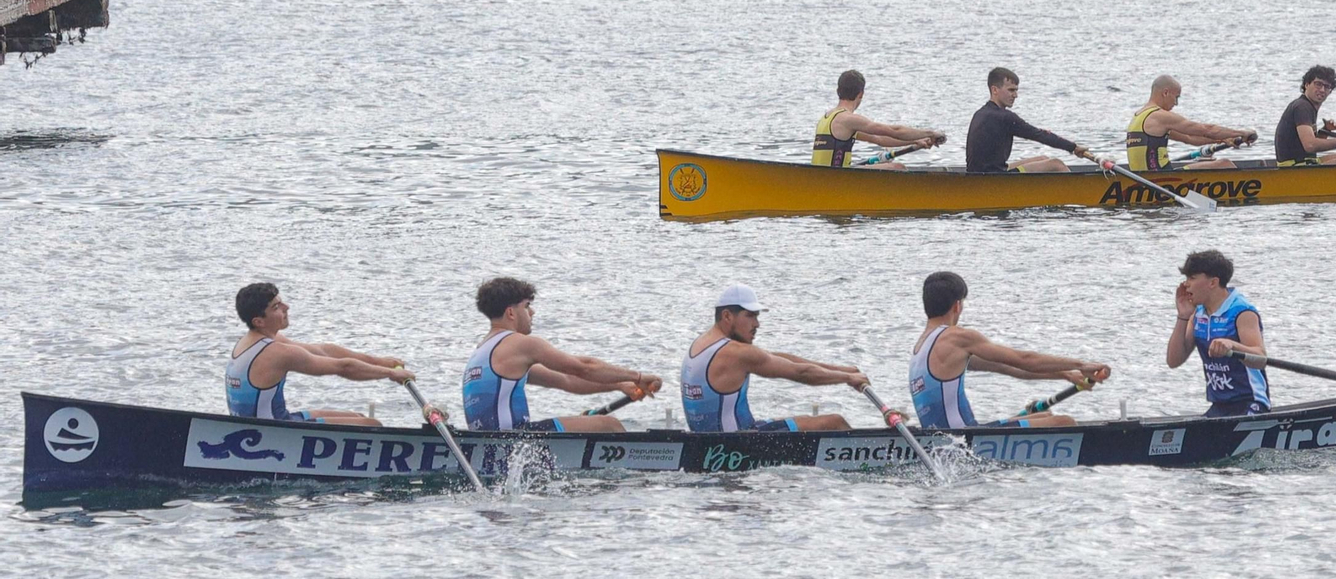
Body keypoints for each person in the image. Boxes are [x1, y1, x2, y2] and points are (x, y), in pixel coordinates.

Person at [910, 271, 1110, 429]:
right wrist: (1081, 364)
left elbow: (1009, 368)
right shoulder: (957, 338)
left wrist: (1066, 375)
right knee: (1064, 423)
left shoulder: (922, 347)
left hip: (949, 435)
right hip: (961, 439)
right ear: (957, 305)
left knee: (1045, 416)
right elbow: (1024, 359)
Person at [463, 276, 663, 432]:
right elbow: (582, 367)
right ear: (511, 313)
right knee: (609, 426)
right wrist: (637, 377)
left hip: (495, 439)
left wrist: (620, 385)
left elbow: (567, 380)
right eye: (527, 306)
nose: (532, 313)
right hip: (515, 440)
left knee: (588, 422)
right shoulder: (521, 344)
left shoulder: (483, 351)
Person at [681, 284, 869, 432]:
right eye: (750, 316)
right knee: (834, 423)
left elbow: (778, 359)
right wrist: (848, 379)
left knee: (801, 419)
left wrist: (843, 370)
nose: (757, 324)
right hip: (740, 442)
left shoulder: (702, 343)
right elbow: (801, 372)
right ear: (727, 316)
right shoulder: (737, 352)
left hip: (718, 439)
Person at [228, 283, 414, 426]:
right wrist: (391, 374)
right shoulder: (276, 352)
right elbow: (343, 367)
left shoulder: (250, 340)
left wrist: (381, 362)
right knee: (371, 425)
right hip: (275, 431)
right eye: (276, 307)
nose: (287, 307)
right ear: (259, 321)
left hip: (275, 420)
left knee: (357, 418)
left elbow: (324, 351)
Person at [1164, 250, 1270, 417]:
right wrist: (1183, 316)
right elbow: (1173, 360)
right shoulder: (1197, 314)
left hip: (1251, 403)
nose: (1186, 285)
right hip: (1219, 405)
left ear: (1213, 282)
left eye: (1192, 278)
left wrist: (1232, 345)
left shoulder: (1242, 312)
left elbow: (1261, 359)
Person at [813, 69, 946, 170]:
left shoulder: (827, 118)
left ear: (838, 91)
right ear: (861, 94)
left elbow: (879, 139)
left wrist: (916, 140)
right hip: (836, 180)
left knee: (888, 164)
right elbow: (895, 131)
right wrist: (930, 133)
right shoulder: (848, 119)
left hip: (824, 177)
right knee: (897, 168)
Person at [966, 67, 1091, 173]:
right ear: (994, 90)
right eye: (1011, 90)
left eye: (1016, 90)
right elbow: (1039, 135)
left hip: (980, 174)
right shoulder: (1005, 117)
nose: (1015, 95)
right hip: (993, 180)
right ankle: (1077, 196)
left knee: (1043, 158)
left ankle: (1046, 199)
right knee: (1056, 165)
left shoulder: (980, 113)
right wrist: (1073, 147)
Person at [1126, 75, 1257, 171]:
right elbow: (1208, 129)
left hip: (1147, 179)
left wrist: (1224, 139)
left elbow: (1190, 138)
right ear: (1166, 92)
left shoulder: (1139, 116)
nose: (1175, 103)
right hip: (1162, 179)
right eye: (1176, 97)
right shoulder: (1159, 116)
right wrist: (1242, 133)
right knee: (1225, 164)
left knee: (1207, 162)